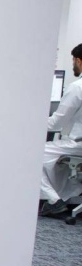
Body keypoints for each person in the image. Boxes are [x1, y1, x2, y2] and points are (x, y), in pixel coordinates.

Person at [39, 43, 82, 216]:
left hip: (77, 145)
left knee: (33, 154)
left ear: (78, 60)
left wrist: (33, 126)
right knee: (53, 156)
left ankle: (53, 200)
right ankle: (66, 196)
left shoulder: (77, 87)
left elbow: (56, 124)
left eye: (73, 60)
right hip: (77, 144)